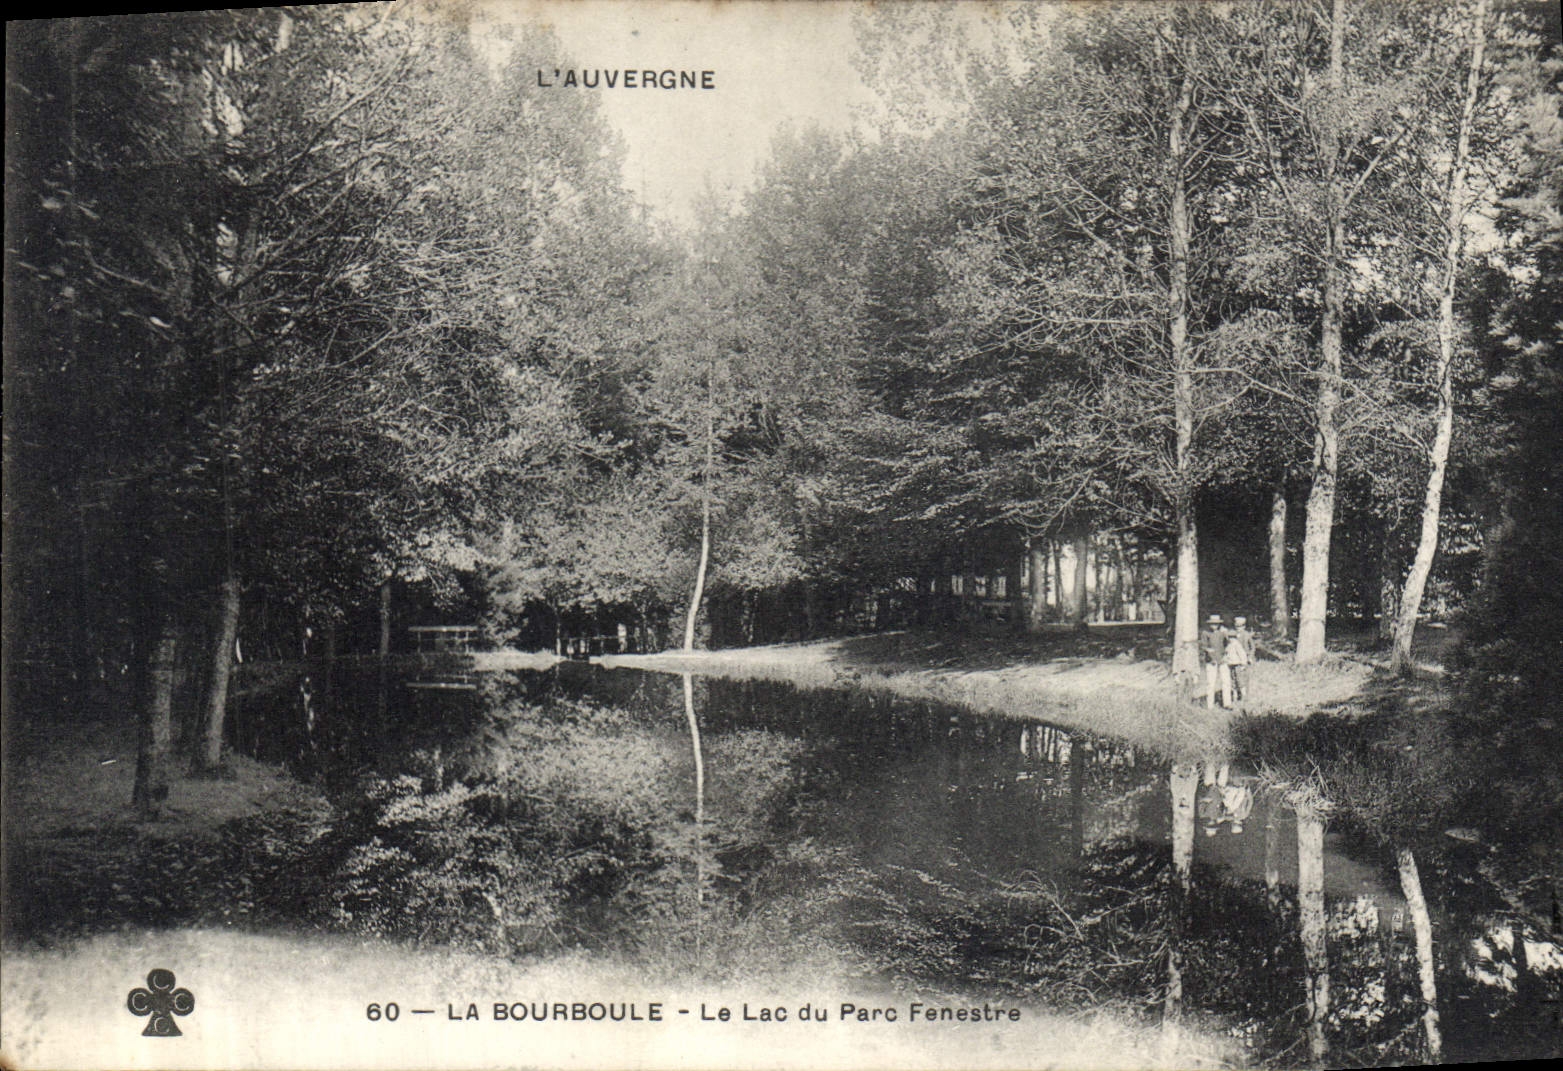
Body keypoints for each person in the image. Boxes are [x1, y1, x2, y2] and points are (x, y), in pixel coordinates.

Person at [1225, 615, 1254, 705]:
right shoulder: (1233, 635)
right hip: (1235, 660)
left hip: (1244, 658)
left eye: (1241, 626)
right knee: (1234, 677)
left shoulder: (1247, 635)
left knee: (1245, 677)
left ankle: (1246, 697)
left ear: (1244, 626)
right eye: (1237, 626)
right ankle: (1236, 695)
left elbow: (1252, 647)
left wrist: (1250, 656)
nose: (1239, 628)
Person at [1199, 614, 1226, 708]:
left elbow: (1228, 644)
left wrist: (1225, 656)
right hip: (1211, 661)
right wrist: (1210, 655)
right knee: (1211, 683)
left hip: (1222, 660)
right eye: (1212, 624)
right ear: (1209, 624)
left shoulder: (1222, 633)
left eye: (1216, 624)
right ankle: (1210, 705)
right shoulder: (1205, 633)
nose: (1214, 625)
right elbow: (1203, 646)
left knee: (1226, 681)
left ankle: (1227, 703)